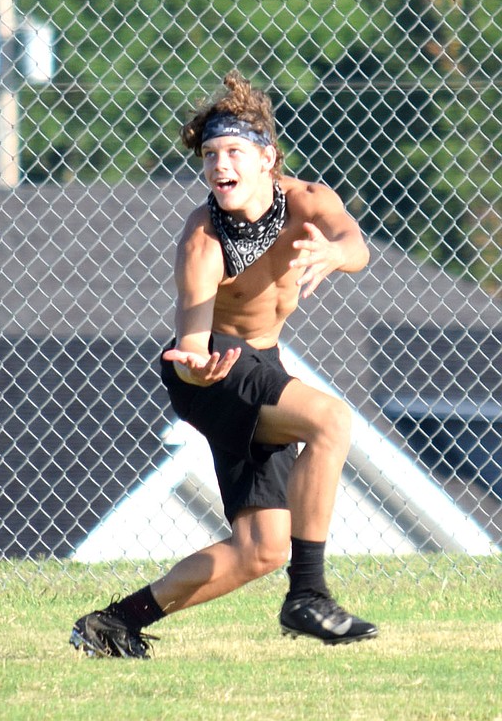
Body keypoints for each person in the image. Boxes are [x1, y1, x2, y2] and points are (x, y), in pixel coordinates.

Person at [69, 69, 378, 658]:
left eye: (233, 151)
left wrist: (335, 252)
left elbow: (354, 243)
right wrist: (194, 369)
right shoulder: (203, 240)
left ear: (268, 158)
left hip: (260, 364)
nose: (218, 166)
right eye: (210, 155)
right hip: (212, 372)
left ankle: (113, 622)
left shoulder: (307, 203)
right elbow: (190, 343)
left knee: (261, 548)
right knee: (332, 421)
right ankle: (308, 595)